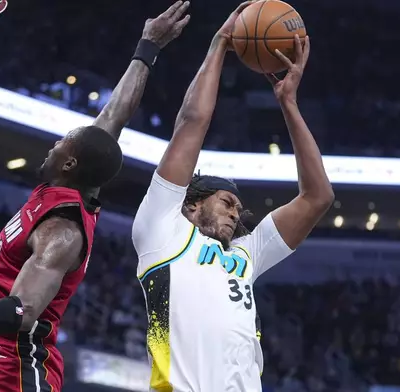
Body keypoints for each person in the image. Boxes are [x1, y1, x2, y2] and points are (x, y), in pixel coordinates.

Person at [0, 3, 191, 392]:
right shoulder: (58, 188)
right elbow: (114, 116)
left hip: (12, 373)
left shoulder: (63, 229)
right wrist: (148, 47)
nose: (53, 144)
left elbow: (21, 312)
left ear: (70, 163)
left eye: (62, 143)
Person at [131, 2, 334, 391]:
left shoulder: (244, 253)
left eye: (238, 209)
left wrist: (288, 104)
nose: (235, 214)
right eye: (226, 202)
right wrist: (221, 44)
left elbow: (317, 197)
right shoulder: (162, 233)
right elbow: (192, 124)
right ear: (192, 204)